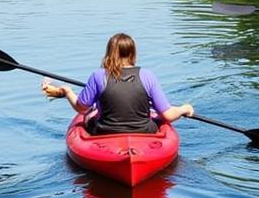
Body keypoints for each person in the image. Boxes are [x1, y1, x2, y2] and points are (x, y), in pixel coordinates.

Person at [41, 33, 194, 135]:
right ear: (133, 53)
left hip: (105, 132)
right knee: (158, 119)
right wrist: (184, 108)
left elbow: (81, 109)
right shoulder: (148, 76)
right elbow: (167, 115)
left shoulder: (98, 76)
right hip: (144, 131)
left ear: (109, 53)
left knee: (89, 115)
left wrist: (67, 91)